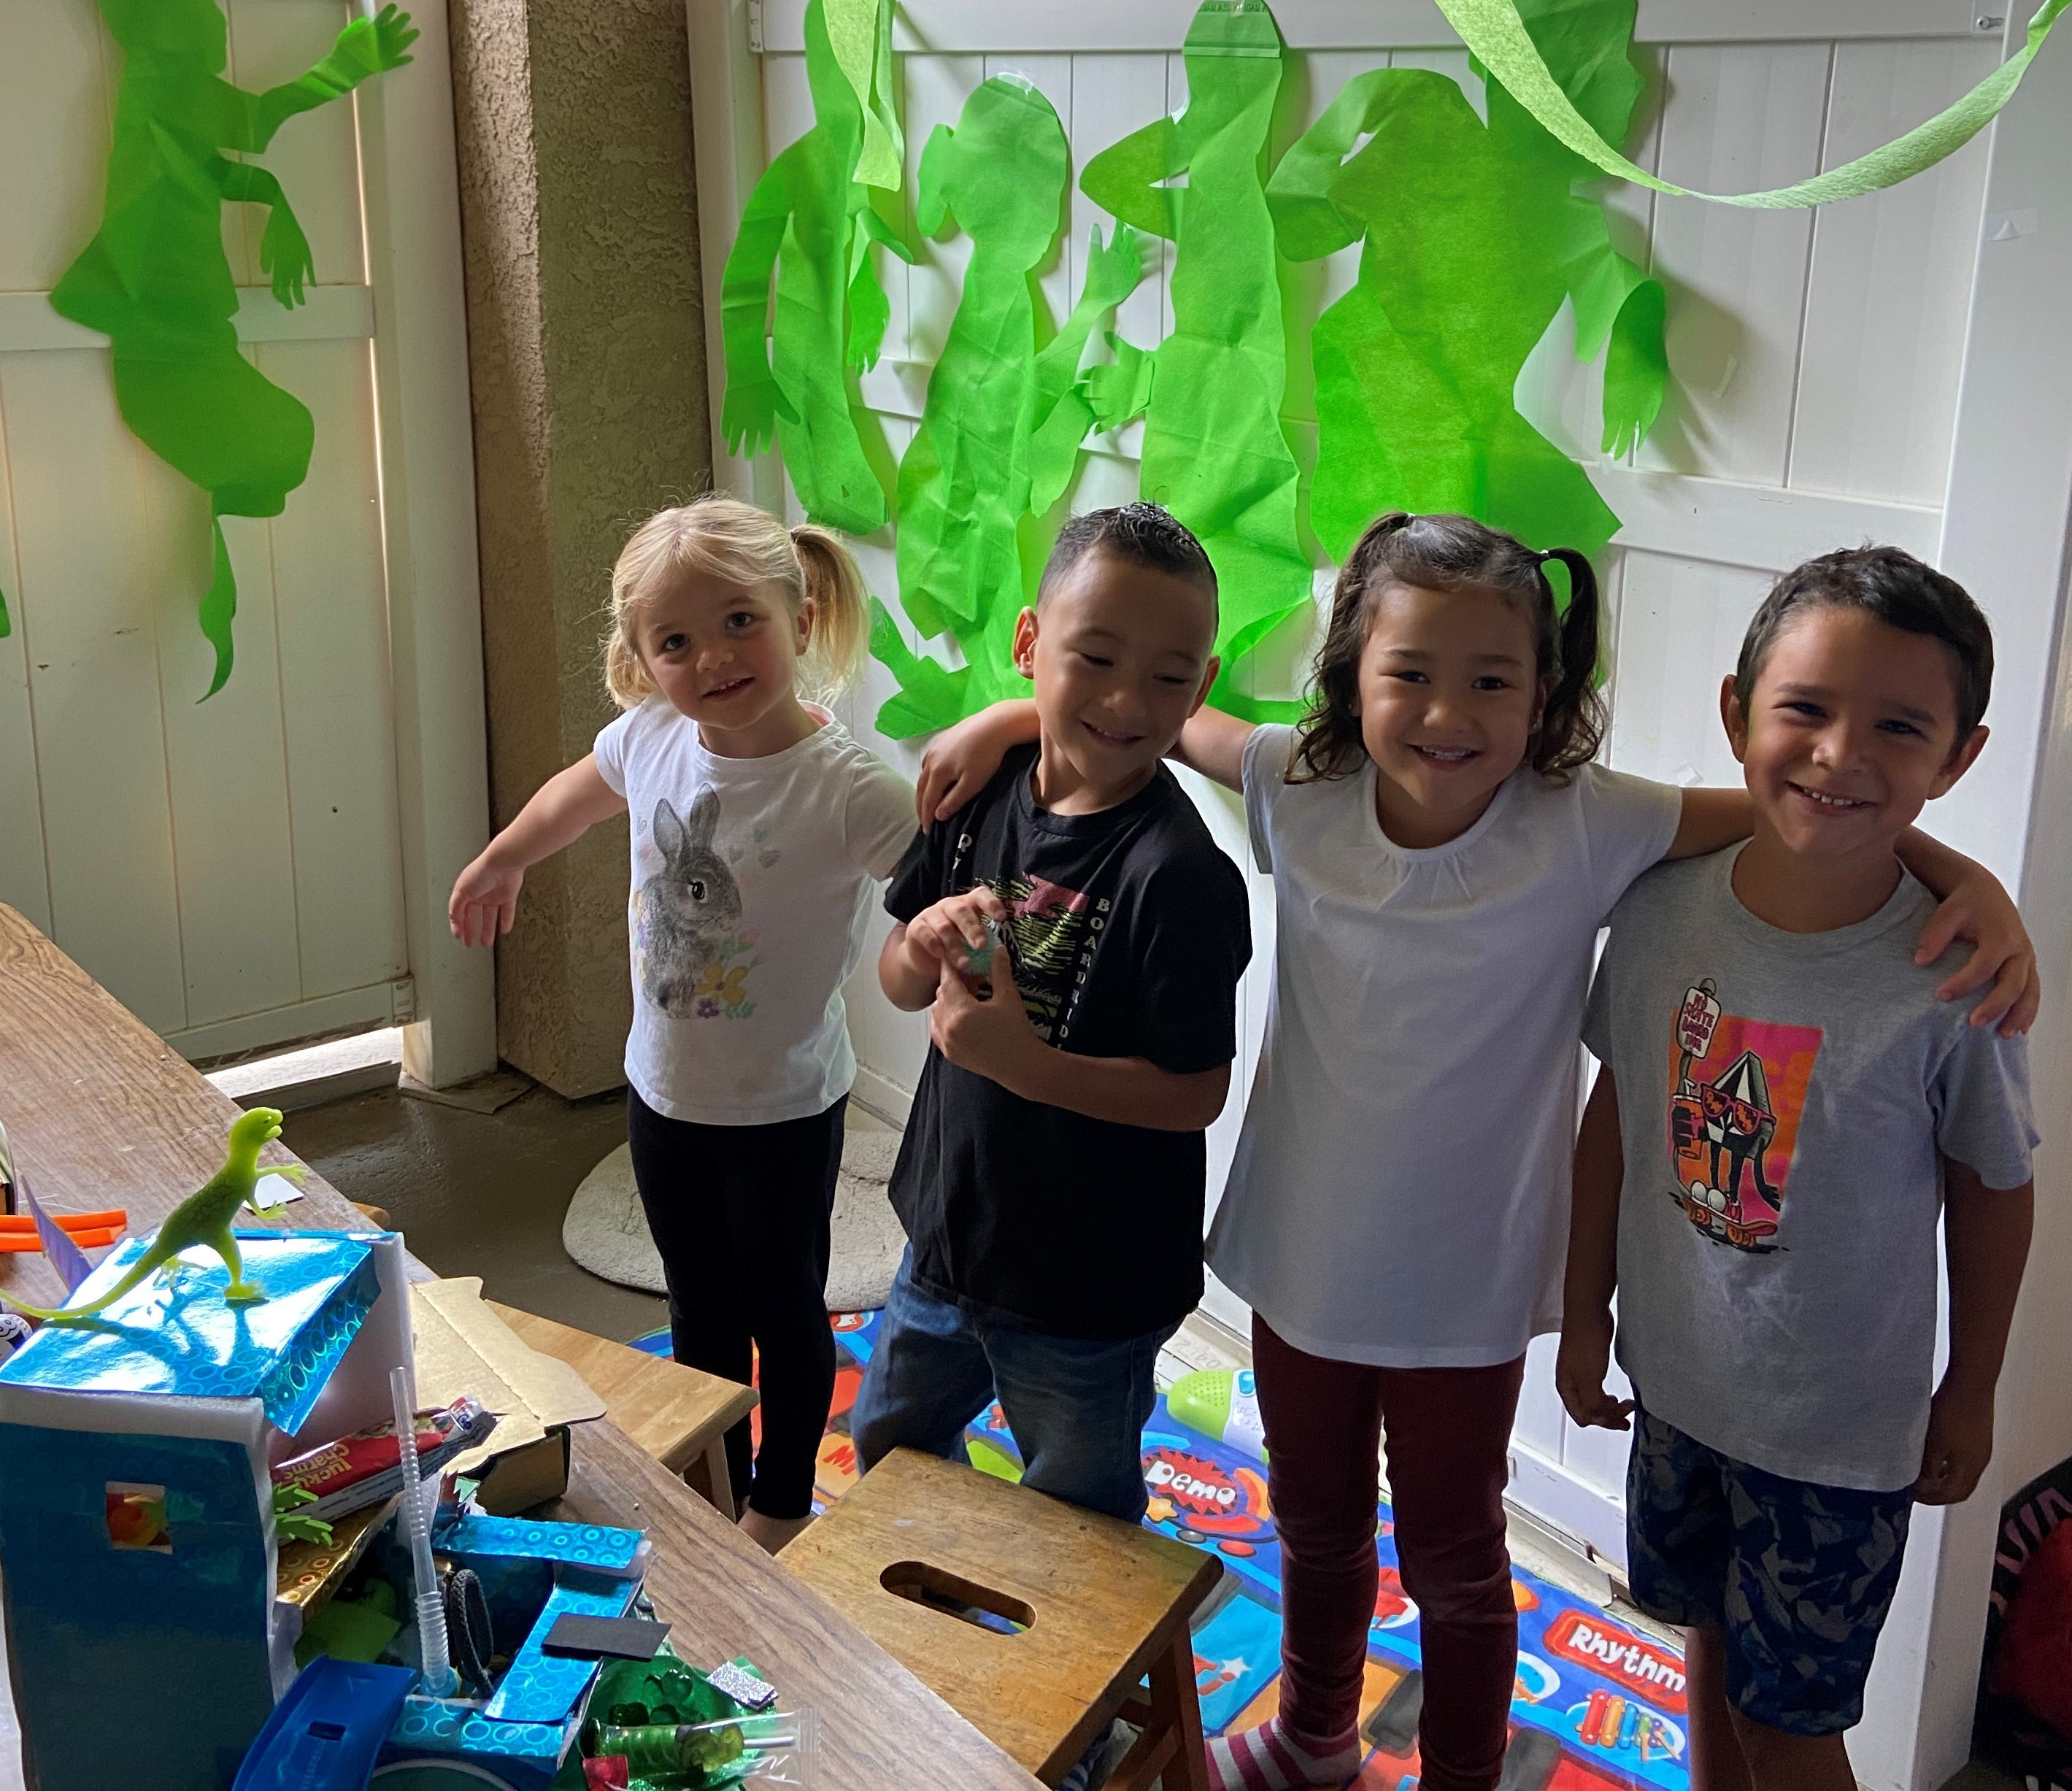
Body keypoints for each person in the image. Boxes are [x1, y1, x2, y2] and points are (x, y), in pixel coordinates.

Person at [923, 512, 2037, 1791]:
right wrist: (1003, 725)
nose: (1448, 714)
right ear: (1353, 677)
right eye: (1410, 674)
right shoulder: (1295, 783)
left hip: (1466, 1295)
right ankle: (1315, 1739)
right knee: (1320, 1526)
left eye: (1492, 681)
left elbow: (1807, 805)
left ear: (1543, 696)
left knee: (1457, 1560)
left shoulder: (1588, 822)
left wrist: (1970, 884)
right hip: (1302, 1261)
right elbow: (1151, 717)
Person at [1558, 547, 2036, 1788]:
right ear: (1737, 712)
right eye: (1806, 709)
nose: (1841, 754)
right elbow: (1618, 1111)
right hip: (1676, 1387)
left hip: (1834, 1439)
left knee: (1793, 1725)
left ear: (1959, 756)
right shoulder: (1659, 908)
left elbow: (1995, 1186)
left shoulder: (1957, 973)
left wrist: (1971, 1385)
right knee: (1705, 1650)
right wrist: (1581, 1308)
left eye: (1898, 725)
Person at [447, 496, 916, 1554]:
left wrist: (953, 958)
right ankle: (718, 1476)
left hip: (784, 1110)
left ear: (800, 614)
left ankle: (784, 1498)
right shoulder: (654, 738)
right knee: (698, 1306)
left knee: (785, 1311)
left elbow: (931, 888)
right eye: (677, 641)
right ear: (643, 660)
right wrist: (505, 855)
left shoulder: (845, 786)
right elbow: (575, 794)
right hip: (662, 1092)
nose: (713, 657)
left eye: (740, 621)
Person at [852, 503, 1253, 1527]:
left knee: (1078, 1524)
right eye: (1096, 658)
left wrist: (1027, 1066)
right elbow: (899, 981)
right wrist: (922, 941)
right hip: (945, 1236)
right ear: (1031, 644)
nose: (1128, 700)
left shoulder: (1182, 877)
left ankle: (1072, 1683)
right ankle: (919, 1658)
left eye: (1169, 676)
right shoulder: (975, 798)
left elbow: (1197, 1091)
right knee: (890, 1455)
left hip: (1088, 1289)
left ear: (1202, 687)